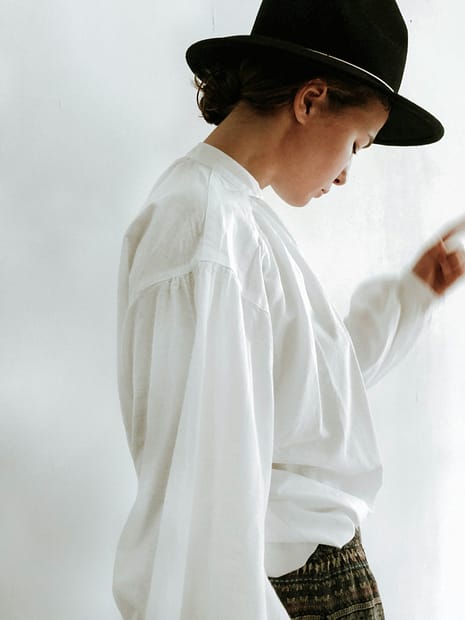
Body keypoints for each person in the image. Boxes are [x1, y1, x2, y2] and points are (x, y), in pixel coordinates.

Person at [112, 1, 465, 618]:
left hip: (314, 579)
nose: (349, 173)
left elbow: (307, 395)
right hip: (292, 589)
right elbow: (203, 490)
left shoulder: (234, 218)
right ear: (310, 100)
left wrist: (411, 296)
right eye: (358, 143)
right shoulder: (207, 229)